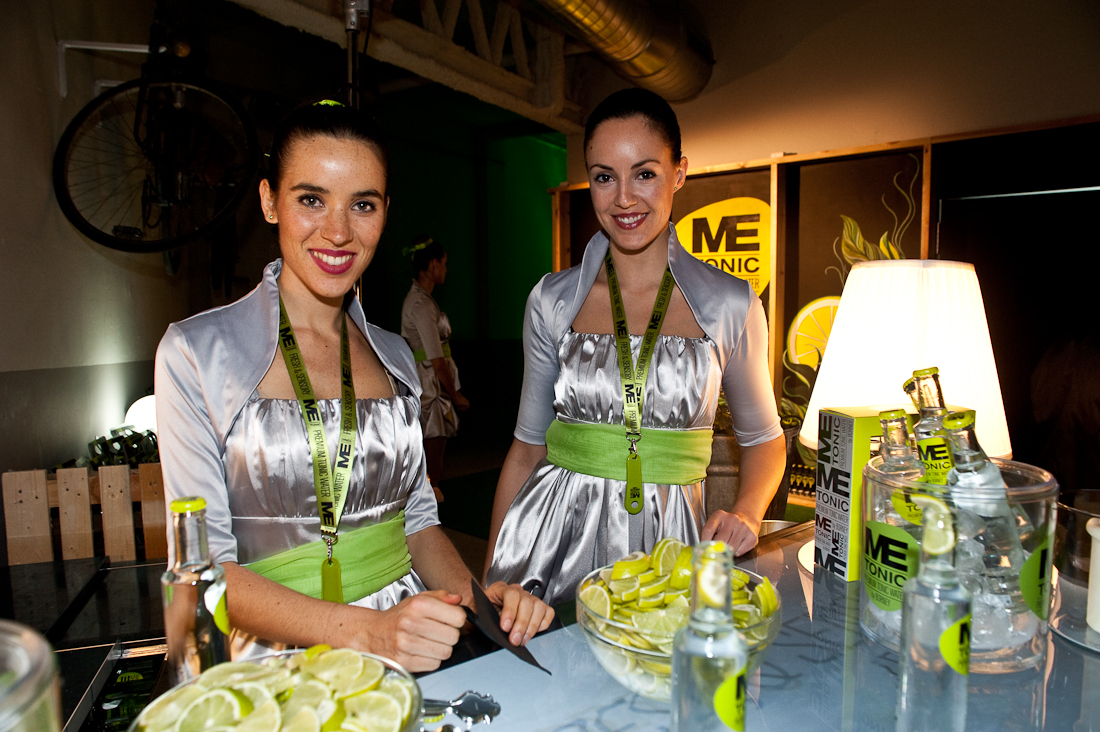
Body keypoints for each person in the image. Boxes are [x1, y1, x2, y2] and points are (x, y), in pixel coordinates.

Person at [155, 102, 552, 672]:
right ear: (269, 201)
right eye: (311, 200)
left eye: (362, 205)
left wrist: (481, 603)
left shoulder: (394, 356)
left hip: (403, 643)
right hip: (268, 661)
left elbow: (418, 523)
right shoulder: (197, 354)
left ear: (385, 211)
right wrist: (370, 633)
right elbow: (203, 571)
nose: (338, 232)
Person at [484, 89, 787, 606]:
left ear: (679, 173)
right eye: (604, 177)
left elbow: (764, 440)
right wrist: (490, 577)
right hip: (548, 548)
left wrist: (747, 512)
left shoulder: (730, 304)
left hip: (670, 551)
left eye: (644, 173)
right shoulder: (552, 300)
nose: (624, 198)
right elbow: (528, 448)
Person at [400, 236, 470, 502]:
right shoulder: (421, 305)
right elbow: (436, 359)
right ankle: (429, 491)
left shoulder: (424, 301)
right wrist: (454, 394)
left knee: (435, 437)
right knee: (433, 437)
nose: (446, 269)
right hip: (429, 383)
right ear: (432, 265)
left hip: (430, 380)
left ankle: (429, 490)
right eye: (444, 263)